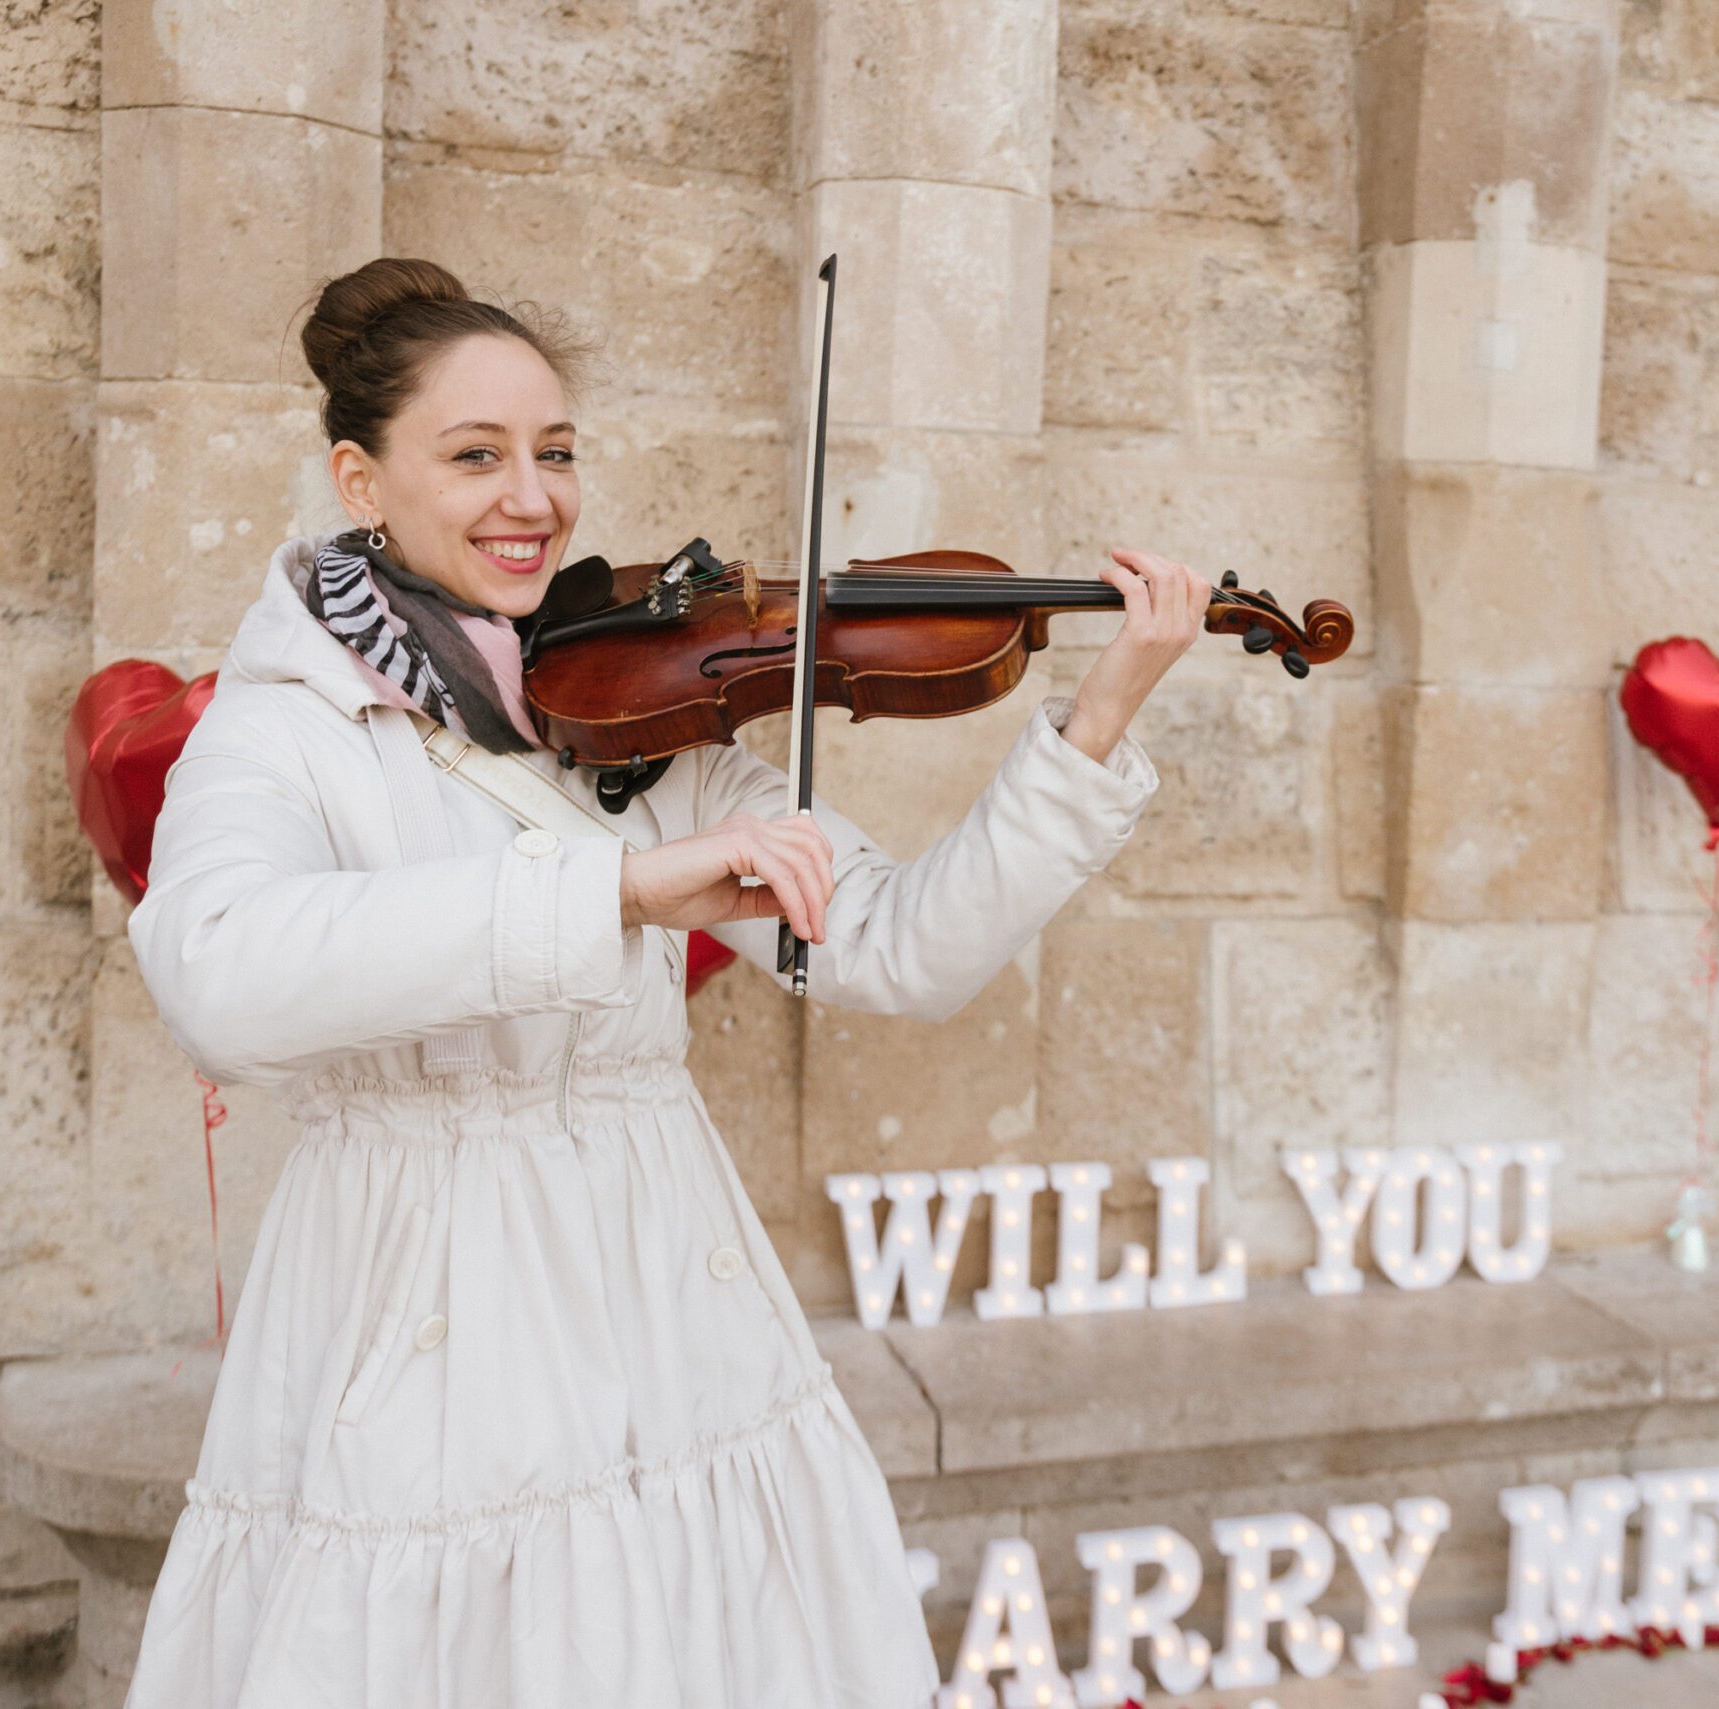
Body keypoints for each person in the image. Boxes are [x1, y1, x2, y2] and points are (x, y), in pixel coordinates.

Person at [121, 256, 1211, 1708]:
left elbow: (902, 948)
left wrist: (1098, 714)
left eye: (556, 453)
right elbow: (222, 977)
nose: (534, 498)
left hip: (667, 1281)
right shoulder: (285, 726)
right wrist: (610, 889)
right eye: (476, 456)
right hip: (433, 1290)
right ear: (359, 479)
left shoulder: (639, 706)